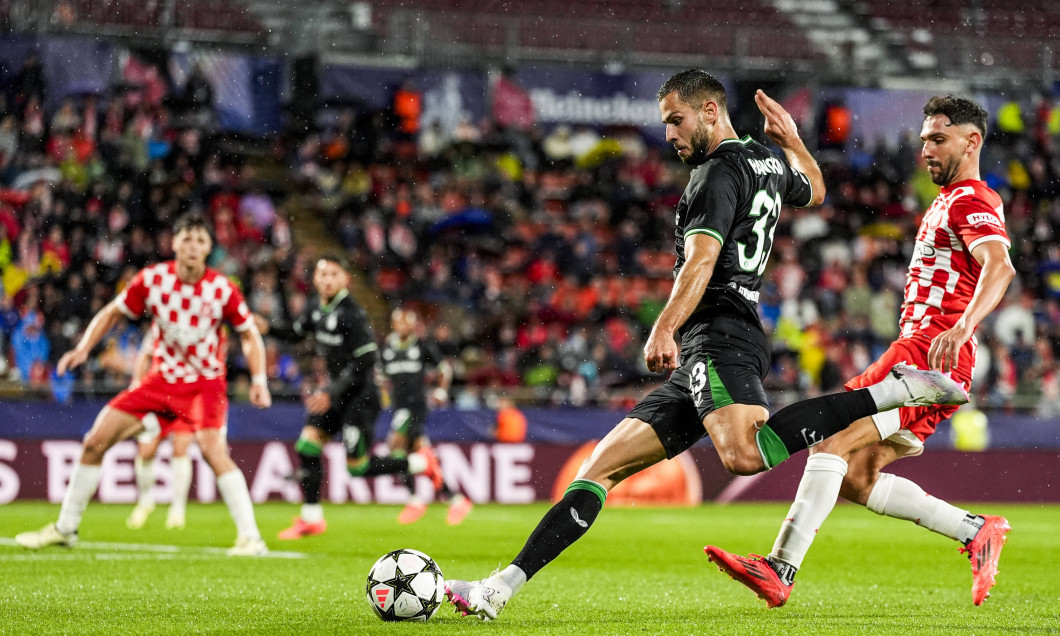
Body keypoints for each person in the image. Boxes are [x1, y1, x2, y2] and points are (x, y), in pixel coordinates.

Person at [443, 69, 968, 621]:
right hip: (710, 343)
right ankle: (497, 589)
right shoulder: (764, 161)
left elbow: (701, 260)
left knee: (745, 454)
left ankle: (892, 391)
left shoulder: (714, 174)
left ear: (711, 111)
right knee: (598, 470)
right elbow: (814, 189)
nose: (669, 134)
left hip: (720, 334)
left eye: (677, 119)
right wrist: (792, 143)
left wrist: (664, 326)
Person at [705, 95, 1015, 608]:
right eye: (923, 140)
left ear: (972, 140)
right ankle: (975, 529)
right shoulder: (949, 200)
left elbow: (999, 267)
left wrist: (961, 328)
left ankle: (781, 567)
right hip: (926, 352)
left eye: (938, 139)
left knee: (830, 441)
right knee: (856, 475)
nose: (926, 150)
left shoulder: (972, 199)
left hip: (927, 355)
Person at [16, 212, 271, 556]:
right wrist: (83, 348)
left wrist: (258, 380)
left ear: (209, 247)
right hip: (160, 382)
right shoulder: (152, 280)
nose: (193, 246)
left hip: (203, 385)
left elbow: (250, 335)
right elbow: (112, 312)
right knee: (95, 441)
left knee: (213, 452)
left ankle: (251, 538)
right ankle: (65, 529)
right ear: (174, 243)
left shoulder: (222, 288)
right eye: (186, 238)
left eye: (200, 240)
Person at [258, 256, 443, 540]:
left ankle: (421, 463)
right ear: (315, 278)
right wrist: (267, 327)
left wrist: (330, 392)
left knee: (357, 468)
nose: (327, 279)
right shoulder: (315, 307)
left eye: (334, 273)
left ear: (346, 279)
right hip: (336, 393)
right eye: (322, 273)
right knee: (307, 446)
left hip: (362, 395)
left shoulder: (351, 313)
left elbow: (366, 360)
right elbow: (296, 334)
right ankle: (312, 519)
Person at [382, 307, 473, 526]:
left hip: (416, 406)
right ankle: (455, 499)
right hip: (399, 406)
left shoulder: (422, 347)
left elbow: (445, 370)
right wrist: (384, 395)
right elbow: (382, 377)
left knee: (395, 445)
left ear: (413, 325)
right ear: (394, 324)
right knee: (422, 456)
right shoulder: (387, 349)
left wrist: (441, 390)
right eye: (399, 321)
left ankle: (415, 500)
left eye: (407, 321)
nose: (403, 325)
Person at [126, 332, 196, 531]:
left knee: (180, 448)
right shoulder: (161, 324)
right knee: (146, 451)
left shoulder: (196, 325)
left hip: (186, 394)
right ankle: (146, 500)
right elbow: (145, 355)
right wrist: (136, 385)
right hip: (158, 393)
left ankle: (178, 508)